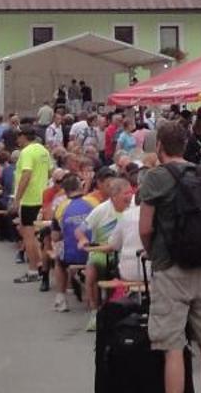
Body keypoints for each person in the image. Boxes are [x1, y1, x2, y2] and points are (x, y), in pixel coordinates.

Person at [132, 119, 201, 393]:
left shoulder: (155, 177)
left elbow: (145, 227)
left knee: (171, 344)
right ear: (185, 145)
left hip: (171, 267)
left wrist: (153, 250)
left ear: (159, 147)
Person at [79, 175, 131, 319]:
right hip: (100, 252)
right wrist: (83, 240)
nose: (129, 197)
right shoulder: (101, 210)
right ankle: (94, 312)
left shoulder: (132, 208)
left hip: (123, 252)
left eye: (130, 193)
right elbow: (80, 230)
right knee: (91, 272)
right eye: (125, 194)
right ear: (114, 196)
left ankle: (118, 309)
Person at [13, 125, 54, 285]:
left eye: (18, 137)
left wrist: (17, 198)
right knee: (38, 236)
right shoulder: (43, 150)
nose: (17, 140)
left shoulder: (26, 152)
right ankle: (40, 267)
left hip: (29, 199)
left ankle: (32, 270)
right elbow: (50, 172)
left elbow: (26, 174)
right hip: (42, 197)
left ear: (24, 136)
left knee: (28, 235)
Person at [52, 176, 94, 313]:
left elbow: (55, 236)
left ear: (64, 191)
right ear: (80, 187)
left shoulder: (60, 207)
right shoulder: (94, 202)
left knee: (58, 259)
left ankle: (61, 298)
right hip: (95, 251)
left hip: (73, 255)